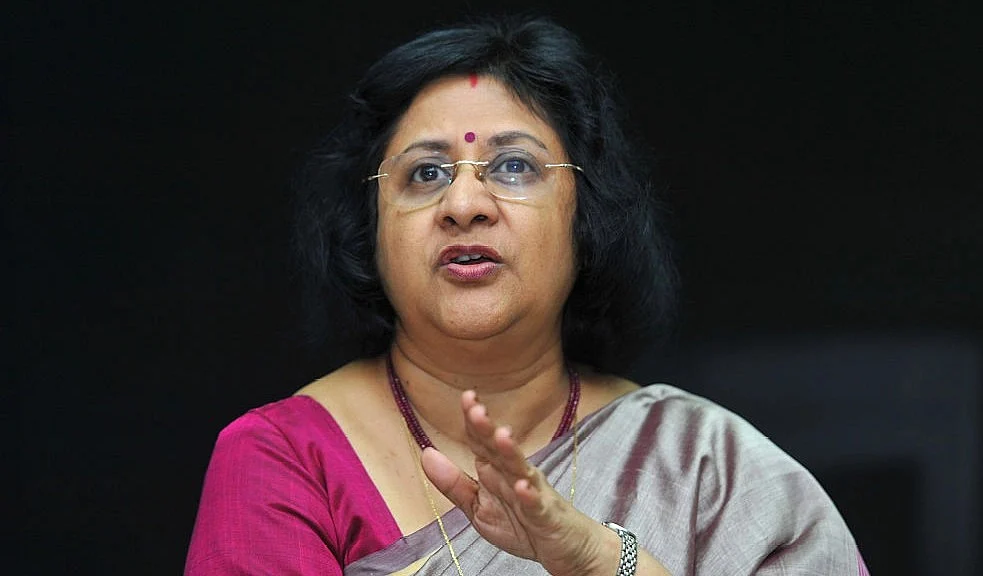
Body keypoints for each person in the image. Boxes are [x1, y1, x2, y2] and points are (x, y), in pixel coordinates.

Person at [184, 12, 870, 576]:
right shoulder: (284, 461)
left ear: (587, 213)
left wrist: (603, 559)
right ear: (369, 226)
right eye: (424, 174)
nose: (463, 203)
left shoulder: (703, 469)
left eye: (514, 166)